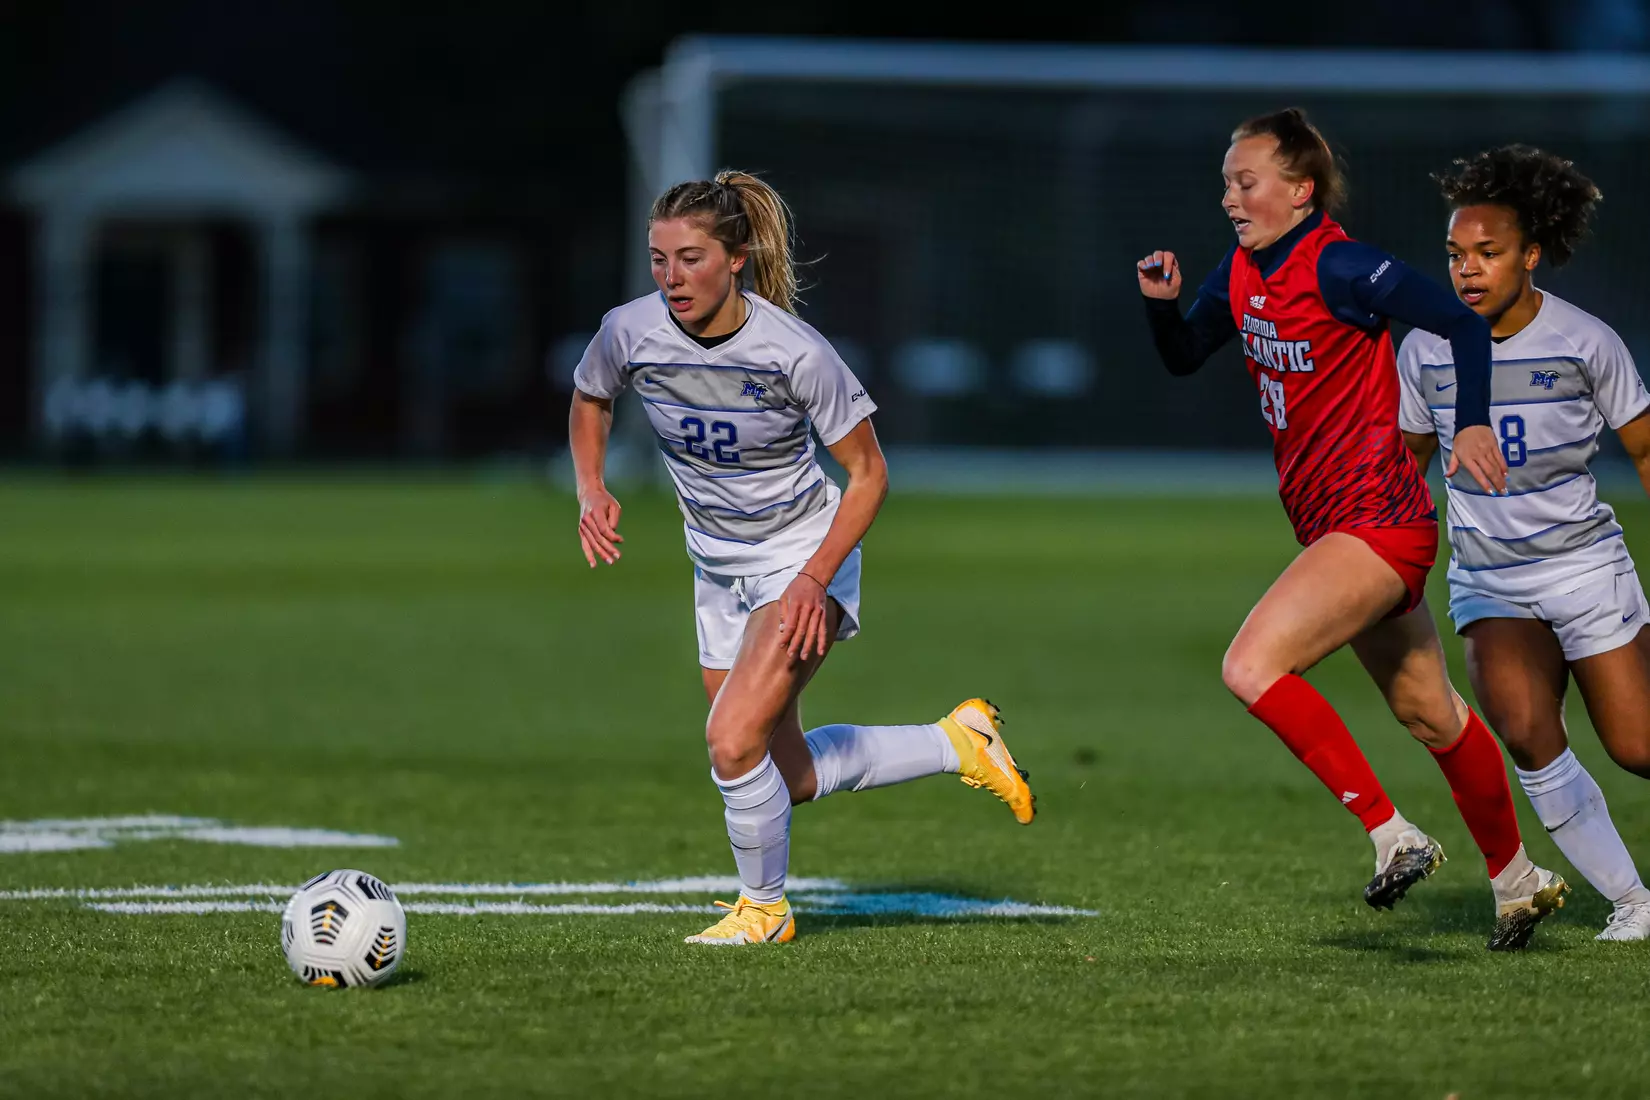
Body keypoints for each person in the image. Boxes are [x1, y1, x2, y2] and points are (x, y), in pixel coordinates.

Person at [568, 170, 1035, 946]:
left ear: (736, 259)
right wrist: (592, 487)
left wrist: (814, 580)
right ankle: (957, 740)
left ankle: (765, 910)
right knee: (785, 774)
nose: (672, 277)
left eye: (691, 258)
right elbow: (591, 397)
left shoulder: (793, 351)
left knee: (731, 741)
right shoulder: (629, 330)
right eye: (659, 259)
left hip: (799, 557)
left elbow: (869, 475)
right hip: (716, 567)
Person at [1136, 108, 1565, 950]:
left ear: (1301, 191)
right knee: (1433, 716)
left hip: (1377, 519)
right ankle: (1520, 880)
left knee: (1250, 666)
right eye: (1227, 182)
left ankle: (1392, 833)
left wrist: (1472, 421)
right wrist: (1161, 307)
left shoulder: (1341, 265)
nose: (1229, 197)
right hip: (1338, 526)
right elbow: (1185, 354)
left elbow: (1461, 322)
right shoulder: (1242, 270)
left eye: (1246, 181)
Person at [1398, 144, 1650, 942]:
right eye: (1455, 254)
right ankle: (1636, 904)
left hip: (1585, 569)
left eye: (1488, 252)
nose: (1467, 270)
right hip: (1490, 580)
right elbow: (1405, 466)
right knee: (1527, 734)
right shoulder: (1425, 348)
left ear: (1531, 255)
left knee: (1638, 745)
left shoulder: (1585, 340)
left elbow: (1645, 448)